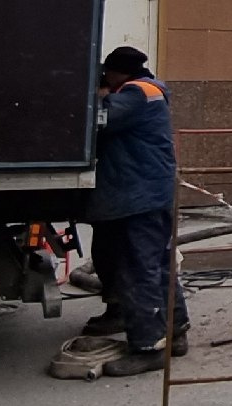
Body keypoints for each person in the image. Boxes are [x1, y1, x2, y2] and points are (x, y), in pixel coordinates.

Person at [77, 46, 188, 374]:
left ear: (116, 72)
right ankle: (175, 330)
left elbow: (98, 117)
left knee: (139, 270)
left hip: (141, 197)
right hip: (146, 194)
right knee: (158, 265)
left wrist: (96, 94)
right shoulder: (146, 90)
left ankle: (148, 345)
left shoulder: (138, 93)